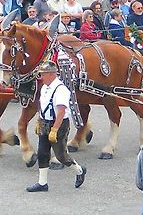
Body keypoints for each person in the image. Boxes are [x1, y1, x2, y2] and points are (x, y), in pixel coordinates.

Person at [27, 60, 86, 192]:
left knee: (61, 156)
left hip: (59, 124)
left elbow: (61, 111)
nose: (41, 77)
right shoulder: (44, 88)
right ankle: (42, 183)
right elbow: (42, 105)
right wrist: (39, 119)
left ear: (51, 75)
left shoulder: (61, 90)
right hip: (45, 122)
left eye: (43, 74)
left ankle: (79, 170)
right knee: (42, 152)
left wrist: (55, 129)